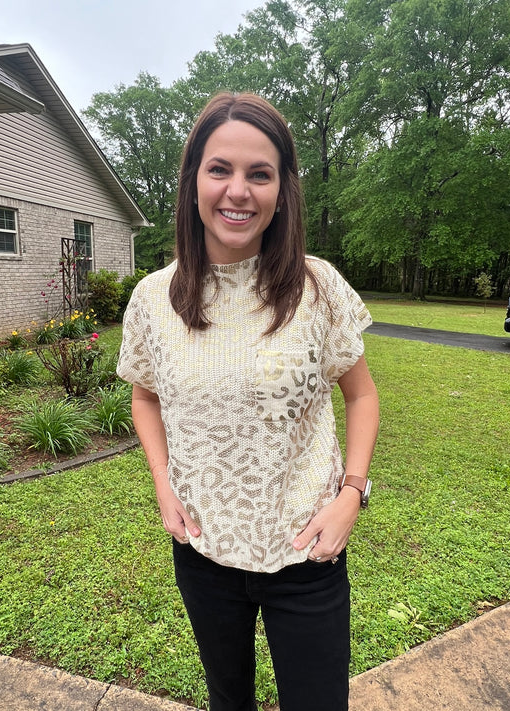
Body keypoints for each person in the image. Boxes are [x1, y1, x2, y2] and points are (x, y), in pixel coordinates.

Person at [117, 92, 379, 711]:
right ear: (193, 181)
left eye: (259, 174)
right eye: (220, 169)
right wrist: (163, 483)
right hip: (203, 550)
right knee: (227, 698)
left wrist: (351, 494)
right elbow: (144, 397)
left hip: (305, 550)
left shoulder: (318, 287)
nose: (239, 191)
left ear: (282, 190)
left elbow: (362, 395)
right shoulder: (154, 299)